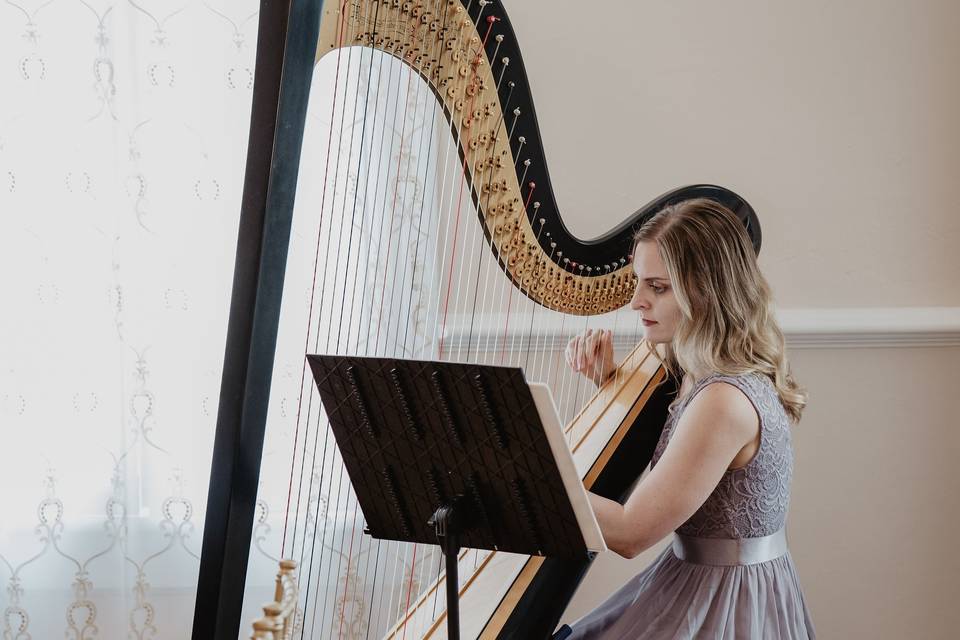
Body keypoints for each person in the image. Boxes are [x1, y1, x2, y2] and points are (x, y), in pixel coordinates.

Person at [555, 198, 816, 639]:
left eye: (657, 286)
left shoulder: (723, 400)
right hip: (700, 581)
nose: (636, 302)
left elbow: (630, 532)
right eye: (639, 282)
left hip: (724, 602)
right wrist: (608, 381)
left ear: (707, 291)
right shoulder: (703, 371)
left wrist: (531, 467)